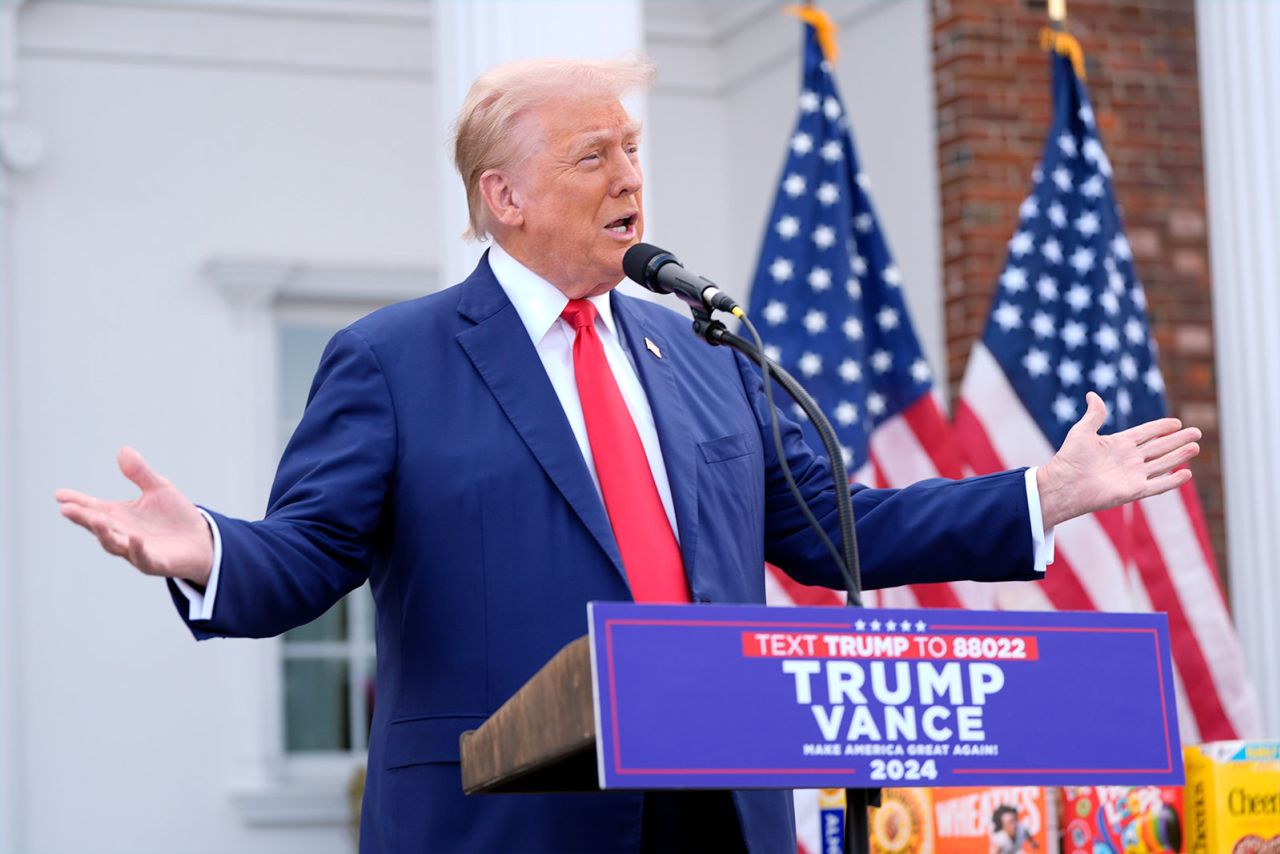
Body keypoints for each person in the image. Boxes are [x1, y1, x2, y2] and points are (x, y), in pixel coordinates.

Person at [55, 57, 1201, 854]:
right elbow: (307, 553)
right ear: (501, 196)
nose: (628, 178)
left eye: (634, 149)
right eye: (593, 153)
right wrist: (204, 546)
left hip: (718, 802)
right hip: (508, 815)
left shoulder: (700, 343)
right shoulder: (392, 358)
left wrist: (1038, 494)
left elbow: (829, 531)